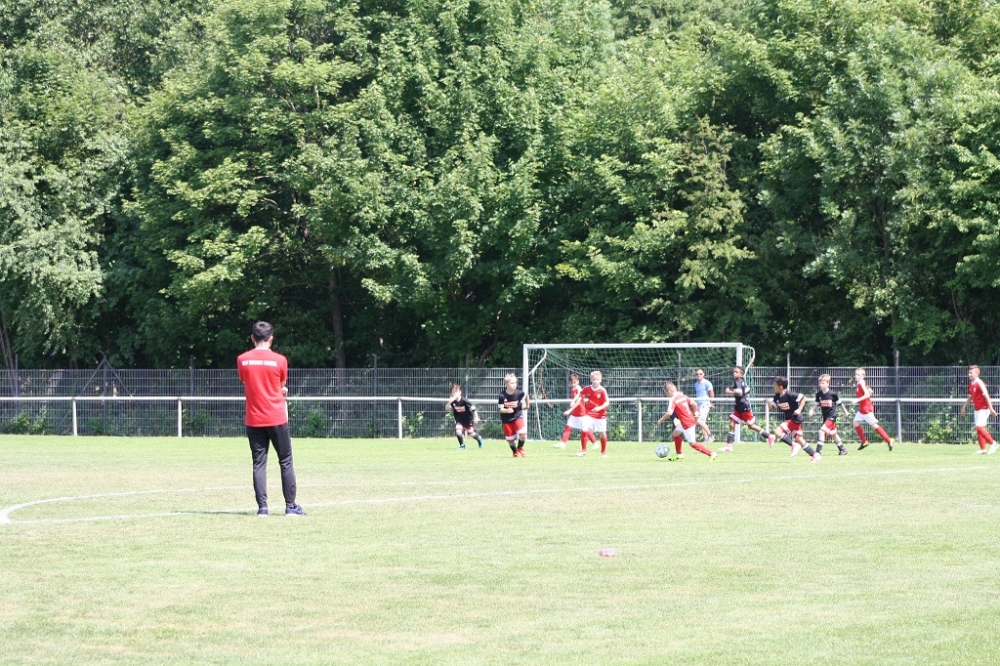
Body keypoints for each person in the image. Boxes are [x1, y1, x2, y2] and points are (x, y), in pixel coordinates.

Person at [237, 321, 304, 517]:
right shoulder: (280, 360)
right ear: (271, 339)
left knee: (259, 463)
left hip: (254, 418)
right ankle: (290, 506)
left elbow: (247, 382)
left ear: (252, 338)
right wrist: (281, 391)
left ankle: (262, 508)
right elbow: (280, 384)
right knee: (286, 460)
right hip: (276, 417)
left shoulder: (242, 360)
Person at [657, 381, 716, 460]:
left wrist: (660, 420)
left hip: (687, 423)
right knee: (675, 434)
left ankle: (711, 453)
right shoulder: (682, 396)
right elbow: (694, 403)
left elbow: (669, 413)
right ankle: (679, 454)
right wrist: (695, 412)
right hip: (688, 420)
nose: (666, 395)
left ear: (669, 392)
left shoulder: (673, 399)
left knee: (692, 444)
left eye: (666, 393)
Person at [770, 376, 821, 463]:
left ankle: (793, 445)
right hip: (790, 419)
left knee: (778, 432)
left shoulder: (790, 395)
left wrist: (799, 409)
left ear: (780, 387)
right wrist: (769, 403)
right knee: (800, 439)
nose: (773, 387)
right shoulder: (777, 397)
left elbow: (803, 398)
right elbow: (772, 408)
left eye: (775, 385)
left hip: (794, 419)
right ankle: (815, 455)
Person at [723, 366, 774, 450]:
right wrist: (742, 390)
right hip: (738, 408)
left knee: (751, 425)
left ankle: (769, 436)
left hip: (744, 407)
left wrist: (729, 392)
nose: (734, 373)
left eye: (736, 372)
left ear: (741, 374)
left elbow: (740, 394)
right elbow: (748, 390)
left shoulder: (738, 382)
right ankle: (729, 445)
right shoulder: (740, 381)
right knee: (731, 423)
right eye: (734, 372)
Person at [850, 368, 894, 451]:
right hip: (862, 409)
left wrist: (857, 400)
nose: (856, 376)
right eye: (856, 374)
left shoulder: (861, 382)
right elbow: (870, 391)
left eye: (858, 375)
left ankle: (889, 440)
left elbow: (867, 395)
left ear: (863, 376)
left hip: (866, 409)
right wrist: (869, 390)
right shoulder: (860, 383)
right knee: (855, 422)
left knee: (874, 425)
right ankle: (864, 441)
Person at [569, 370, 609, 456]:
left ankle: (603, 452)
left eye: (597, 379)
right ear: (591, 380)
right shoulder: (587, 388)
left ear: (601, 380)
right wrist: (574, 400)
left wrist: (599, 408)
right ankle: (583, 450)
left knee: (602, 433)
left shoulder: (602, 390)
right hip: (589, 413)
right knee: (584, 428)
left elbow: (607, 403)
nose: (595, 381)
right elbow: (580, 394)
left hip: (600, 414)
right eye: (594, 379)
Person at [960, 365, 998, 455]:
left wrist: (991, 409)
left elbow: (987, 396)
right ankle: (983, 449)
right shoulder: (971, 384)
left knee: (979, 427)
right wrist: (964, 407)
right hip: (977, 408)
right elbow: (970, 397)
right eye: (969, 373)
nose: (969, 374)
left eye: (971, 373)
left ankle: (993, 443)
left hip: (983, 408)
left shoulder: (979, 383)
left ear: (977, 373)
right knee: (979, 428)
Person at [808, 374, 848, 456]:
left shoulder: (832, 394)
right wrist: (811, 410)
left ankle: (818, 452)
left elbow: (840, 403)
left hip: (832, 416)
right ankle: (843, 450)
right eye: (820, 383)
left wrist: (845, 412)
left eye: (823, 383)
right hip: (825, 417)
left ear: (828, 383)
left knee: (821, 431)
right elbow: (816, 404)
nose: (821, 384)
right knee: (833, 434)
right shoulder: (819, 394)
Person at [499, 373, 529, 457]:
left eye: (515, 383)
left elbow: (526, 395)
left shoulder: (519, 393)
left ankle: (520, 448)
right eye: (512, 383)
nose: (514, 385)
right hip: (506, 420)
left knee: (523, 434)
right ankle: (515, 452)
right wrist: (507, 410)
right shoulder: (502, 395)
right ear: (506, 384)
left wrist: (527, 405)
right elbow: (501, 409)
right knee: (510, 440)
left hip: (517, 416)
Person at [445, 383, 484, 450]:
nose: (454, 394)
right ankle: (462, 446)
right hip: (459, 419)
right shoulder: (452, 402)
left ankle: (479, 439)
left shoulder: (464, 401)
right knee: (458, 430)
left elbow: (473, 409)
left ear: (460, 392)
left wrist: (476, 417)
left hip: (467, 419)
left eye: (456, 392)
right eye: (453, 392)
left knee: (471, 433)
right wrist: (449, 402)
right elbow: (446, 408)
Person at [558, 373, 592, 449]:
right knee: (568, 427)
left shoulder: (579, 389)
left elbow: (578, 400)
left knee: (585, 429)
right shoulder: (573, 389)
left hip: (581, 413)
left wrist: (570, 409)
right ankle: (563, 443)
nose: (573, 384)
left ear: (578, 381)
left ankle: (595, 442)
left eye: (574, 382)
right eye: (571, 383)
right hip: (575, 413)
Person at [693, 368, 715, 445]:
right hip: (699, 405)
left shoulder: (707, 383)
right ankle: (706, 439)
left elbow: (711, 393)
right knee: (701, 422)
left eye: (700, 374)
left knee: (700, 421)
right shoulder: (696, 384)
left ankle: (710, 436)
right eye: (697, 374)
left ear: (703, 374)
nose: (699, 375)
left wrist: (711, 402)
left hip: (705, 405)